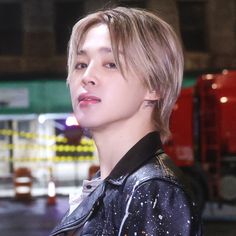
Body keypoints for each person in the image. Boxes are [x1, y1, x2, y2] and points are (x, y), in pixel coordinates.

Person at [50, 6, 202, 236]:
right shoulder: (105, 184)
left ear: (154, 86)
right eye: (81, 64)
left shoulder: (153, 189)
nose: (87, 77)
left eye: (111, 64)